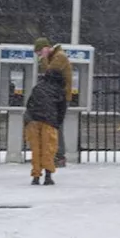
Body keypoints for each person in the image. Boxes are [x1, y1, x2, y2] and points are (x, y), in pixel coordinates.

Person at [24, 68, 67, 186]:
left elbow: (29, 104)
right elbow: (62, 109)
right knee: (48, 150)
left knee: (36, 150)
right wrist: (57, 123)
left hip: (33, 120)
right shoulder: (59, 90)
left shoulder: (38, 87)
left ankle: (36, 176)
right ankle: (48, 176)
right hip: (49, 121)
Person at [34, 37, 74, 167]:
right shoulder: (55, 56)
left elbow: (49, 73)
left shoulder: (59, 57)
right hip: (54, 97)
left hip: (60, 98)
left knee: (56, 127)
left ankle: (59, 156)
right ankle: (53, 154)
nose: (39, 56)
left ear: (45, 48)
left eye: (40, 53)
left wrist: (44, 58)